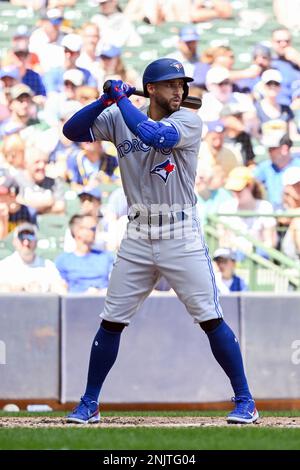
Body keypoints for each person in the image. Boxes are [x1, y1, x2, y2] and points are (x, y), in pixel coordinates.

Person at [63, 57, 258, 424]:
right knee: (112, 320)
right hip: (137, 231)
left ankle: (245, 399)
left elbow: (154, 136)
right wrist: (105, 101)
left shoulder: (188, 119)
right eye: (171, 85)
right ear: (150, 88)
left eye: (182, 85)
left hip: (179, 230)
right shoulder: (120, 115)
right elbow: (72, 131)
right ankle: (89, 403)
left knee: (210, 318)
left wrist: (121, 101)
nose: (179, 91)